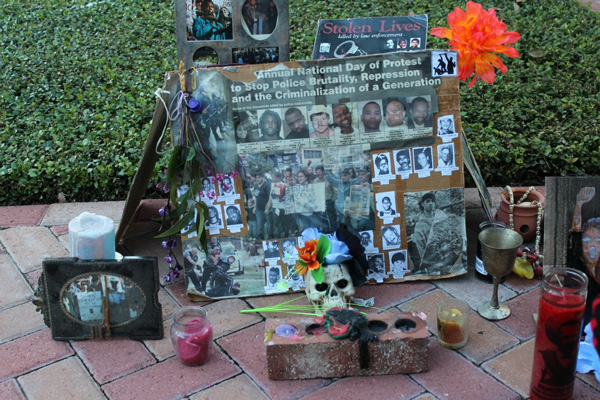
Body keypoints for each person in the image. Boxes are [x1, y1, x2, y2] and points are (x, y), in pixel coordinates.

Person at [568, 187, 600, 326]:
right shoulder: (578, 264)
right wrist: (579, 205)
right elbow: (575, 235)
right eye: (586, 241)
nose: (592, 245)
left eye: (598, 240)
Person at [252, 172, 271, 239]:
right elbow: (255, 197)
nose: (257, 179)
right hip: (259, 209)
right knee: (259, 225)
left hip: (266, 209)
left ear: (263, 178)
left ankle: (270, 238)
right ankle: (260, 238)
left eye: (259, 178)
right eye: (256, 178)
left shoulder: (267, 186)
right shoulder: (255, 187)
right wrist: (254, 207)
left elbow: (270, 197)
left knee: (269, 225)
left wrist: (267, 208)